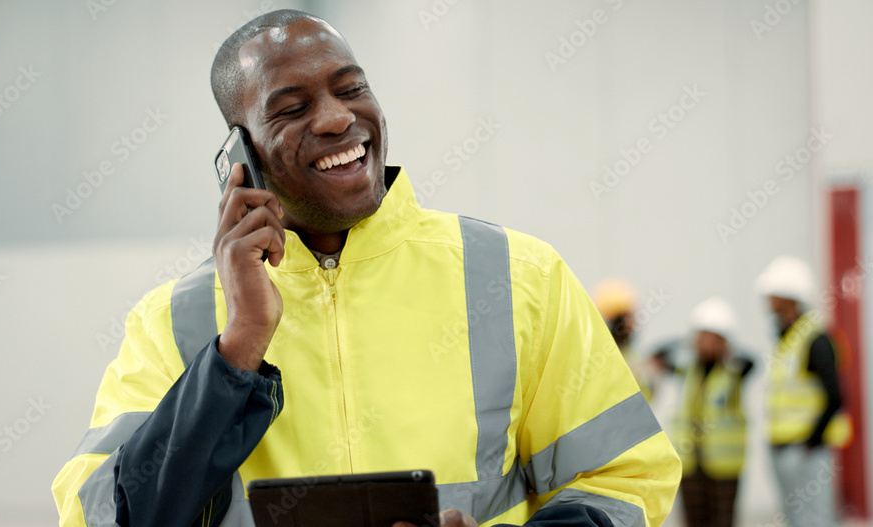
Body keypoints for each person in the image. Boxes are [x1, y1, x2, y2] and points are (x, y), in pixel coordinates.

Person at [51, 10, 680, 527]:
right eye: (291, 108)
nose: (335, 117)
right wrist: (236, 350)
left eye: (350, 89)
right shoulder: (175, 320)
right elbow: (103, 515)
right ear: (241, 155)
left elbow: (625, 478)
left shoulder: (519, 277)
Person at [756, 256, 851, 527]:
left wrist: (811, 442)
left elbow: (835, 397)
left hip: (806, 450)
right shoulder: (787, 338)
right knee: (796, 519)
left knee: (816, 519)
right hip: (784, 447)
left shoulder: (815, 340)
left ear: (790, 296)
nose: (768, 300)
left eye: (773, 293)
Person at [671, 298, 752, 527]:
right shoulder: (687, 370)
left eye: (710, 336)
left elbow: (750, 361)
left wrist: (727, 352)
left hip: (722, 467)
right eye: (700, 336)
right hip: (690, 464)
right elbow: (661, 352)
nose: (703, 342)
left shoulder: (735, 372)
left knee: (722, 521)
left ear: (723, 340)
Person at [591, 279, 659, 401]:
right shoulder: (597, 359)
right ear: (610, 322)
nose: (631, 324)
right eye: (624, 318)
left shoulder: (632, 356)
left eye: (631, 316)